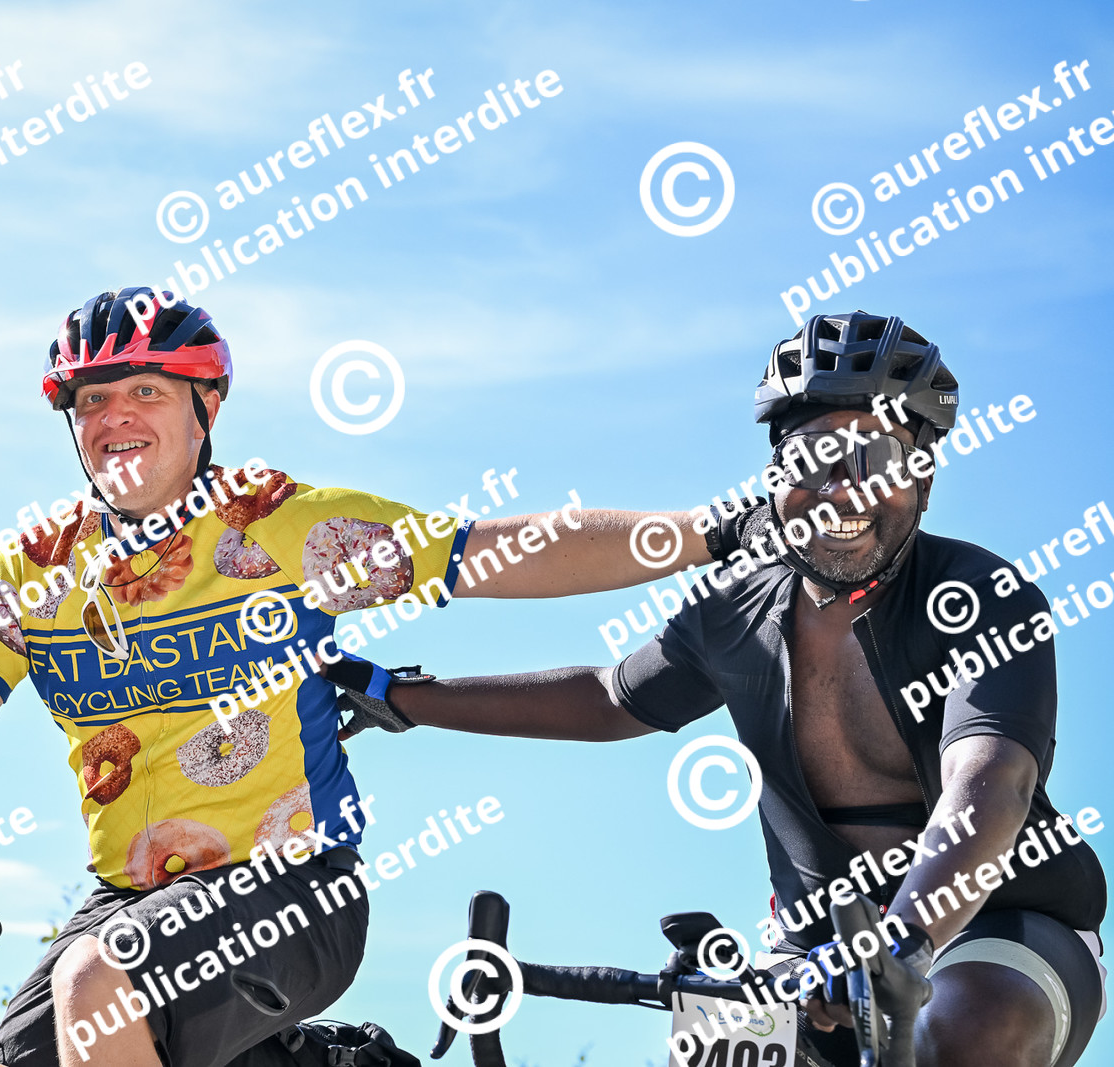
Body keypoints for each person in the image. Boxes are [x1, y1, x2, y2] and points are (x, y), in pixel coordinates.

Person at [0, 286, 719, 1067]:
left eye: (146, 390)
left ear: (204, 407)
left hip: (295, 890)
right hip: (125, 900)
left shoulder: (278, 529)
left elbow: (498, 550)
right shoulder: (33, 572)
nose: (116, 415)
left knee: (100, 981)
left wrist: (711, 531)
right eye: (92, 400)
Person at [341, 311, 1108, 1066]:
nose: (842, 489)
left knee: (966, 1030)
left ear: (924, 480)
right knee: (710, 1047)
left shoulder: (981, 592)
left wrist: (899, 941)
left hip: (996, 923)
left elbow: (991, 781)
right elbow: (609, 698)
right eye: (812, 458)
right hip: (813, 944)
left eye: (875, 458)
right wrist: (406, 699)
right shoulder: (737, 605)